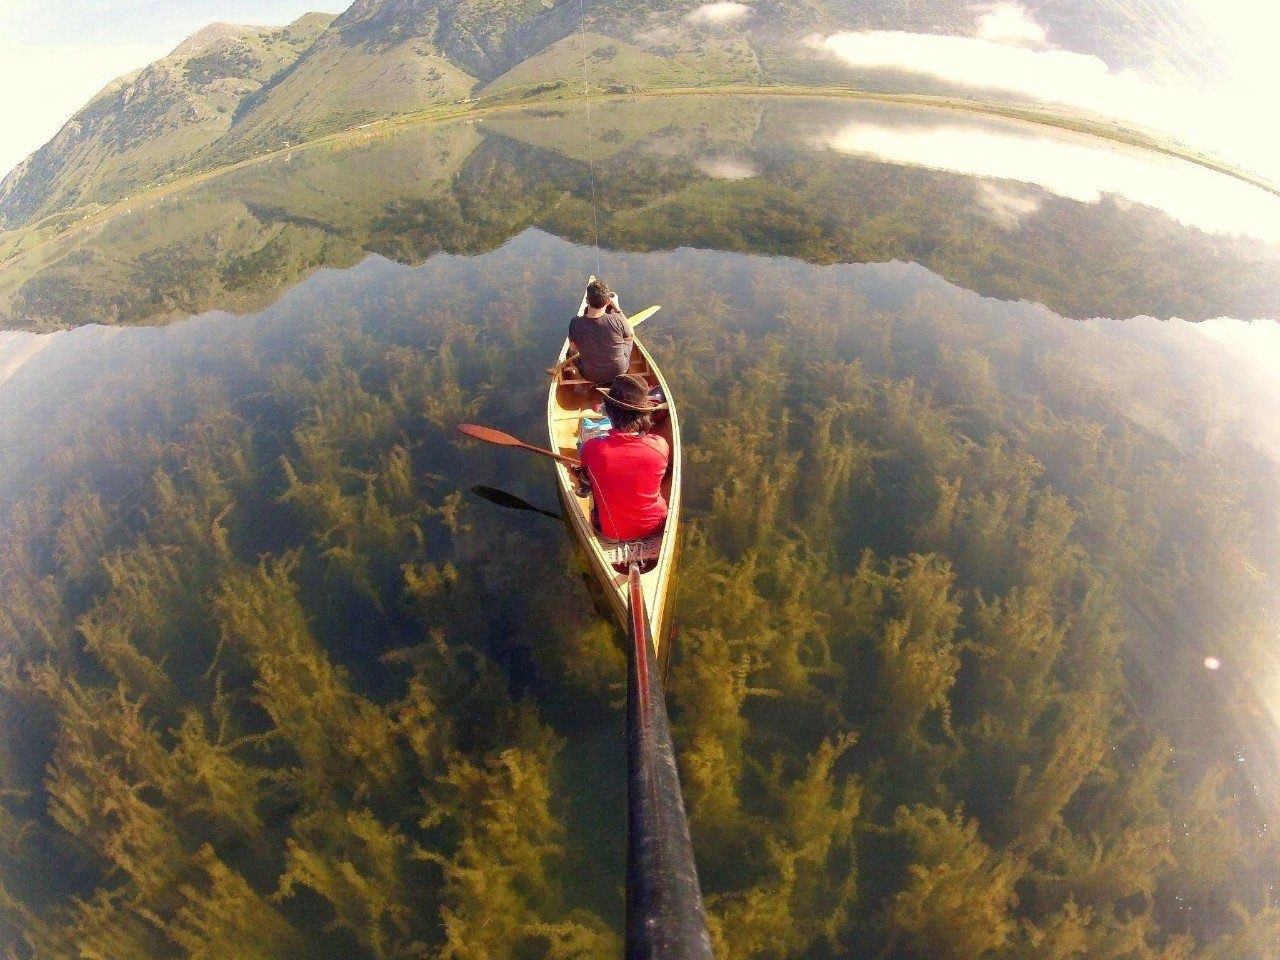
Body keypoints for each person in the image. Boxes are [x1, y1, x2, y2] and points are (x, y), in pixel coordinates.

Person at [575, 374, 669, 542]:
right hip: (655, 527)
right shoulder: (660, 445)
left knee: (581, 451)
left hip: (610, 533)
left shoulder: (592, 448)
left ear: (609, 412)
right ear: (645, 414)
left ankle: (584, 485)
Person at [568, 279, 634, 384]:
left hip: (590, 375)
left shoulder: (575, 323)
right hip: (619, 372)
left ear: (586, 300)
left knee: (570, 352)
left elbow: (573, 349)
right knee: (629, 338)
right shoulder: (617, 319)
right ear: (608, 302)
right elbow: (631, 333)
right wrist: (617, 307)